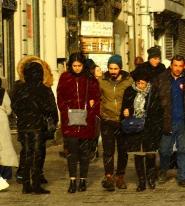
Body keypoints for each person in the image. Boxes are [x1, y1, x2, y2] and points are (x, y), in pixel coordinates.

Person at [12, 60, 57, 194]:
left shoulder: (20, 88)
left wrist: (23, 115)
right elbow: (50, 108)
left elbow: (14, 106)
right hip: (37, 126)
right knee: (37, 155)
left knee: (26, 154)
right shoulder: (42, 88)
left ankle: (26, 184)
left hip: (23, 126)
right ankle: (36, 183)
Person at [57, 52, 101, 193]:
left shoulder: (90, 79)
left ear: (83, 65)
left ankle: (83, 179)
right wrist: (65, 113)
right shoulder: (65, 78)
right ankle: (72, 180)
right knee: (72, 153)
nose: (77, 68)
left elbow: (97, 99)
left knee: (84, 153)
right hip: (69, 122)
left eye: (79, 65)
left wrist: (91, 113)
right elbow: (60, 97)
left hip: (86, 122)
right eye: (74, 66)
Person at [156, 55, 185, 187]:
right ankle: (163, 169)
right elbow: (155, 100)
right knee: (164, 150)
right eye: (176, 65)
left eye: (180, 66)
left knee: (183, 150)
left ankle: (183, 177)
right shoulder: (162, 79)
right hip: (167, 120)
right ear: (171, 65)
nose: (178, 69)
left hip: (184, 121)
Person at [120, 71, 163, 191]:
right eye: (138, 83)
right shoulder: (129, 91)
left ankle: (150, 178)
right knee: (138, 155)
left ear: (147, 83)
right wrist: (126, 111)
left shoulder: (153, 92)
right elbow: (124, 107)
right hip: (135, 127)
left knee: (150, 155)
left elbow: (158, 110)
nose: (140, 85)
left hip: (150, 128)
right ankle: (141, 181)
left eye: (142, 83)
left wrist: (157, 126)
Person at [98, 54, 133, 191]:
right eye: (110, 68)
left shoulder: (128, 80)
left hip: (122, 120)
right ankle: (109, 176)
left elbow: (133, 98)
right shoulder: (102, 80)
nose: (113, 71)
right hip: (107, 119)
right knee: (108, 150)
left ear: (120, 68)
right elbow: (97, 95)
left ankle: (120, 176)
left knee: (123, 150)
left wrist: (129, 110)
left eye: (115, 68)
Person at [0, 71, 18, 180]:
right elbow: (8, 109)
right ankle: (5, 174)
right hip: (1, 121)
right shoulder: (2, 92)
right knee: (5, 148)